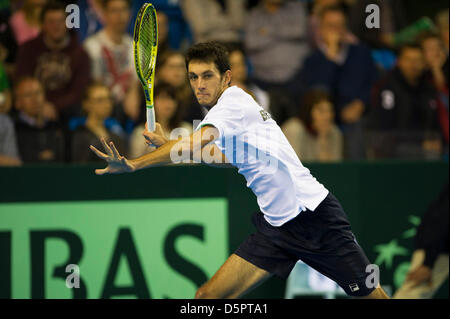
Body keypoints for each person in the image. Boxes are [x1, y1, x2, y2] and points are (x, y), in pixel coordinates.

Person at [89, 41, 390, 299]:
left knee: (370, 294)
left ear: (226, 77)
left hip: (313, 217)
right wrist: (169, 144)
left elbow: (197, 142)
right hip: (276, 227)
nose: (199, 84)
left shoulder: (233, 102)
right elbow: (222, 156)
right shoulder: (226, 113)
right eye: (193, 77)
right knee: (207, 297)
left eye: (207, 76)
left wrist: (134, 164)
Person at [301, 5, 378, 160]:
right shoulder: (313, 60)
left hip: (357, 114)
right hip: (327, 117)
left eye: (339, 26)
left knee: (357, 127)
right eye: (330, 26)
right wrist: (330, 58)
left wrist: (360, 103)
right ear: (320, 29)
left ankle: (358, 179)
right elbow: (319, 93)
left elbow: (374, 84)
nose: (335, 30)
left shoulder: (361, 52)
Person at [15, 1, 91, 124]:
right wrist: (40, 105)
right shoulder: (28, 49)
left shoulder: (80, 54)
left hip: (67, 113)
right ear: (43, 25)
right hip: (33, 107)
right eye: (51, 22)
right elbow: (22, 81)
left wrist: (53, 106)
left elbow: (78, 91)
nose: (56, 26)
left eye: (60, 21)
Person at [367, 44, 442, 159]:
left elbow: (434, 122)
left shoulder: (428, 88)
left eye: (417, 60)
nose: (413, 65)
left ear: (424, 63)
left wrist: (433, 139)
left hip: (423, 145)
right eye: (408, 59)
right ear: (399, 62)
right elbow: (384, 126)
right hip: (395, 146)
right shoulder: (387, 87)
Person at [83, 0, 141, 126]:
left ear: (130, 14)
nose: (119, 15)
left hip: (127, 105)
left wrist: (133, 95)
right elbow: (95, 82)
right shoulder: (92, 45)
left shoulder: (135, 46)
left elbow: (135, 81)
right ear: (105, 14)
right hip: (103, 102)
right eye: (114, 11)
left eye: (123, 10)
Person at [394, 182, 448, 299]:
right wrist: (428, 262)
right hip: (438, 250)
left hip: (436, 248)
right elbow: (441, 217)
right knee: (411, 295)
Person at [129, 82, 192, 158]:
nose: (168, 104)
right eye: (162, 99)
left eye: (172, 99)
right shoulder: (141, 132)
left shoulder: (187, 129)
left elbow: (191, 161)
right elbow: (135, 162)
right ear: (151, 103)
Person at [72, 82, 127, 163]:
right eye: (100, 100)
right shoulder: (78, 136)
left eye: (109, 99)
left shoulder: (115, 136)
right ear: (86, 104)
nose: (107, 104)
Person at [282, 89, 343, 162]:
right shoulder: (294, 129)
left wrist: (323, 140)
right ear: (308, 111)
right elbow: (293, 169)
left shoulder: (334, 132)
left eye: (330, 110)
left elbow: (335, 170)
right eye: (321, 110)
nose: (327, 116)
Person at [13, 76, 64, 163]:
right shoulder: (13, 129)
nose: (35, 99)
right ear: (17, 102)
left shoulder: (56, 126)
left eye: (38, 93)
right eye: (28, 95)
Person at [156, 50, 205, 124]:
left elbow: (197, 126)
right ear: (160, 70)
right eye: (172, 67)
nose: (178, 71)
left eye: (181, 67)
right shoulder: (150, 95)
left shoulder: (194, 97)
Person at [180, 0, 246, 45]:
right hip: (208, 43)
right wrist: (227, 23)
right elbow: (201, 27)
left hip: (233, 41)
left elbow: (239, 23)